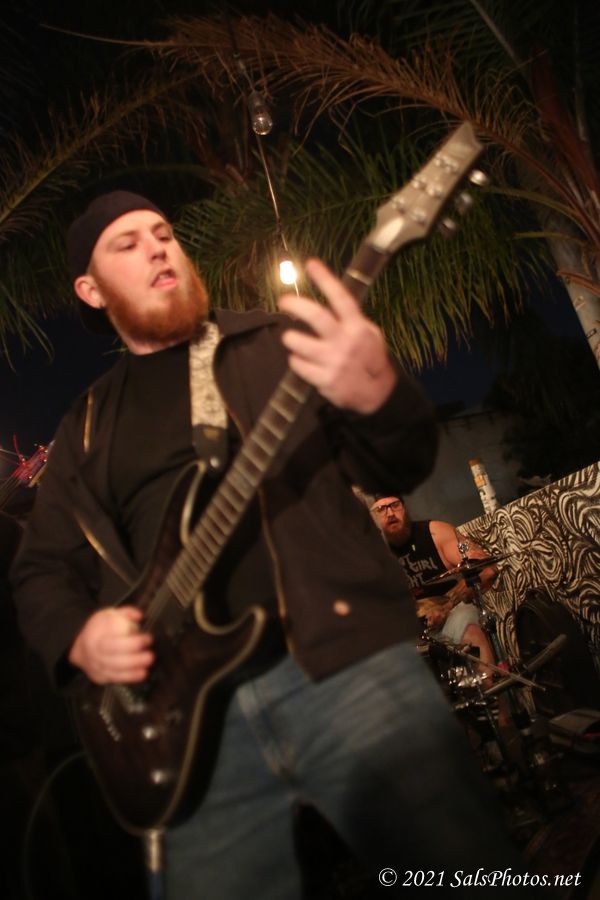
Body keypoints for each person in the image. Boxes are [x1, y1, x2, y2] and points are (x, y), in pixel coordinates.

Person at [11, 191, 526, 898]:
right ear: (90, 290)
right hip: (191, 730)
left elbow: (400, 463)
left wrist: (378, 393)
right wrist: (80, 636)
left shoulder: (277, 344)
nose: (157, 246)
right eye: (126, 244)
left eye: (163, 232)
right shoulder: (88, 427)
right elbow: (39, 571)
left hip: (348, 669)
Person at [370, 494, 496, 670]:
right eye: (381, 509)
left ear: (404, 507)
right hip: (410, 629)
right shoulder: (373, 553)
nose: (390, 513)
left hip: (452, 610)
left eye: (395, 505)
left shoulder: (436, 533)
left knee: (471, 632)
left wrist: (446, 606)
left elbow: (487, 569)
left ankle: (488, 682)